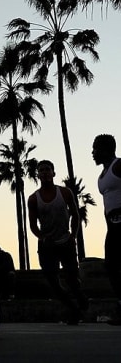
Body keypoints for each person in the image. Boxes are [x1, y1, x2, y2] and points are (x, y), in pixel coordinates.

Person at [27, 159, 87, 323]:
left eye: (48, 169)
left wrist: (73, 236)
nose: (45, 172)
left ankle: (80, 302)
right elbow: (32, 225)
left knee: (72, 278)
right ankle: (73, 309)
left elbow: (75, 214)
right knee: (53, 281)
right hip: (47, 245)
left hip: (65, 241)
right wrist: (42, 237)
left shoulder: (65, 193)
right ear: (38, 175)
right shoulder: (33, 199)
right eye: (41, 170)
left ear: (53, 173)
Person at [92, 133, 121, 325]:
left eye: (95, 149)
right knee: (111, 266)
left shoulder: (118, 165)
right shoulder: (102, 175)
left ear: (105, 149)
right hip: (112, 224)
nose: (92, 153)